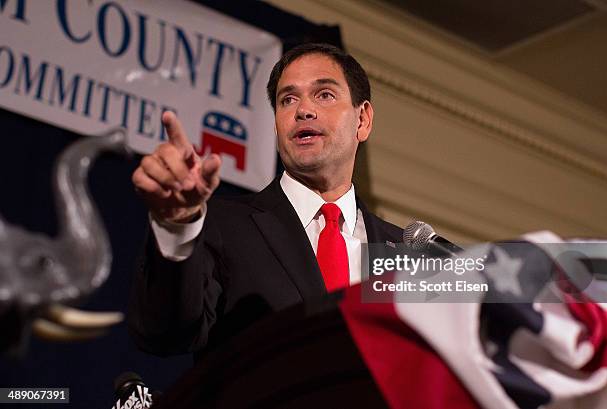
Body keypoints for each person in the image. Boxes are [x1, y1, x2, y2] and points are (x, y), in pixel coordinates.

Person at [128, 43, 402, 359]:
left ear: (363, 120)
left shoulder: (411, 253)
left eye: (324, 95)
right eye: (288, 99)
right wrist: (177, 227)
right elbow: (165, 333)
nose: (303, 110)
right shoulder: (221, 224)